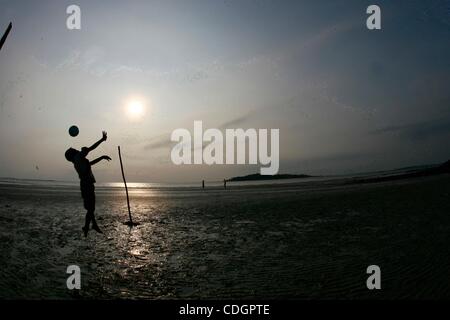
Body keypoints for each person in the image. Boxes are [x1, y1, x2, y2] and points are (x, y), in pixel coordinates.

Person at [65, 131, 111, 237]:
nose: (75, 149)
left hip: (86, 184)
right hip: (87, 185)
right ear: (72, 154)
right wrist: (102, 140)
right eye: (73, 150)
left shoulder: (78, 161)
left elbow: (90, 163)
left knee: (90, 207)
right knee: (91, 208)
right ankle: (87, 227)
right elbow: (91, 148)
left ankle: (93, 225)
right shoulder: (78, 157)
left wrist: (101, 157)